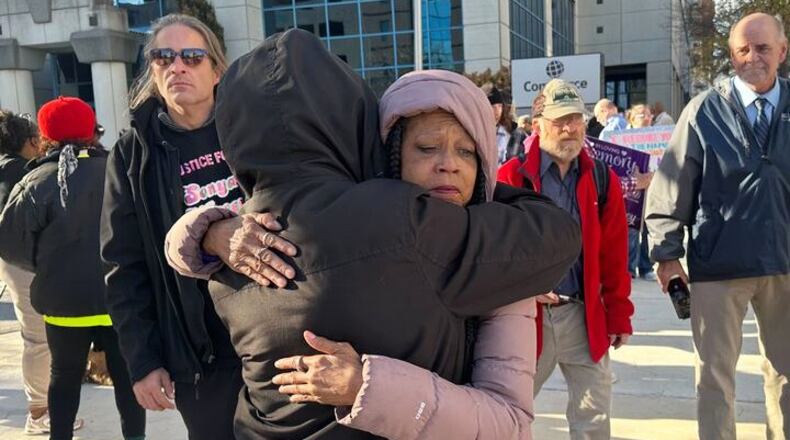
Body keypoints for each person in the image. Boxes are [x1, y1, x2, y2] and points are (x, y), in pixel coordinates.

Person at [165, 28, 580, 439]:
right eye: (425, 148)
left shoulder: (229, 257)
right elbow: (557, 235)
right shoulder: (403, 220)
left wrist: (204, 231)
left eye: (468, 152)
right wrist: (369, 388)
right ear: (369, 135)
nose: (448, 165)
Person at [100, 14, 293, 439]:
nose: (177, 66)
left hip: (275, 329)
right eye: (163, 56)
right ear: (151, 68)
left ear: (217, 69)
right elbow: (123, 265)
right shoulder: (133, 154)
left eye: (191, 56)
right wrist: (144, 361)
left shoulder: (254, 131)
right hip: (198, 351)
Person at [646, 12, 790, 440]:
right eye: (742, 50)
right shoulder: (703, 110)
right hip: (718, 268)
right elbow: (671, 184)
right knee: (714, 379)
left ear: (782, 51)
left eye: (763, 48)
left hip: (784, 264)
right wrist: (666, 254)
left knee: (786, 376)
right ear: (732, 54)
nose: (752, 58)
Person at [0, 97, 145, 440]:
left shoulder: (36, 181)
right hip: (118, 301)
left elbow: (9, 242)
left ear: (46, 135)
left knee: (63, 377)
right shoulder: (118, 171)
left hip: (63, 304)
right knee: (126, 378)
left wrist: (47, 265)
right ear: (91, 130)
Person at [498, 79, 633, 439]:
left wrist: (619, 313)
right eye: (560, 120)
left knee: (594, 418)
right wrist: (523, 287)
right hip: (526, 319)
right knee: (510, 412)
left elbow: (614, 254)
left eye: (577, 119)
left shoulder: (602, 178)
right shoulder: (510, 177)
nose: (570, 128)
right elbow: (494, 252)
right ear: (538, 124)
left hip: (583, 316)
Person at [0, 110, 75, 435]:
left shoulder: (7, 169)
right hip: (26, 263)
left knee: (39, 336)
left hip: (19, 263)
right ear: (31, 142)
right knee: (38, 338)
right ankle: (39, 411)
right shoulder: (21, 173)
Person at [625, 103, 657, 281]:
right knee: (630, 229)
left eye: (649, 114)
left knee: (648, 230)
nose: (646, 117)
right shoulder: (621, 137)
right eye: (641, 114)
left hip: (652, 187)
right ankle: (629, 268)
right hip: (630, 189)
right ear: (631, 118)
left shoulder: (657, 136)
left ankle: (646, 266)